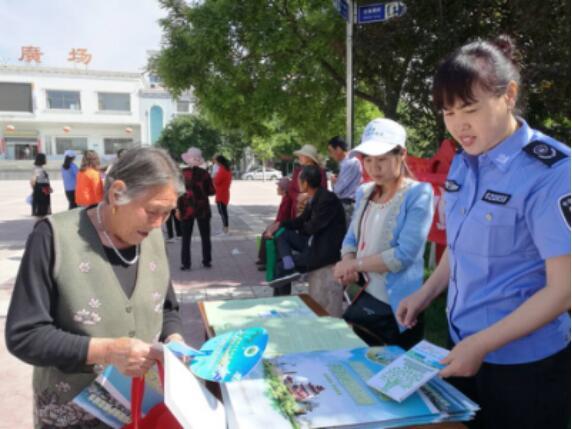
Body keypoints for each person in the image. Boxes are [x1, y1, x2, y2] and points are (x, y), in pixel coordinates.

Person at [396, 36, 570, 429]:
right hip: (465, 351)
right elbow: (462, 246)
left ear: (508, 95)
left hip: (527, 368)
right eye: (448, 111)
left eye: (470, 109)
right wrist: (425, 293)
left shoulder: (552, 173)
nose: (459, 124)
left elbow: (564, 290)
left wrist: (483, 344)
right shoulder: (464, 161)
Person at [6, 147, 186, 428]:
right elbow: (25, 335)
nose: (158, 224)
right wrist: (108, 350)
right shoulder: (53, 237)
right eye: (152, 211)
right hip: (74, 415)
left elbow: (165, 304)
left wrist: (174, 339)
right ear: (116, 194)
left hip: (143, 408)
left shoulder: (153, 237)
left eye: (167, 213)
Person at [333, 118, 434, 349]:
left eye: (382, 159)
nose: (373, 167)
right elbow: (350, 238)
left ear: (402, 155)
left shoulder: (419, 194)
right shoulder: (364, 192)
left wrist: (354, 265)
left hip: (400, 307)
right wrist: (348, 261)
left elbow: (403, 256)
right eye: (367, 159)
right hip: (367, 298)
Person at [267, 164, 346, 296]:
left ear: (305, 182)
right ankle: (289, 264)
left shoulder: (327, 199)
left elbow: (311, 227)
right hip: (311, 243)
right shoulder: (314, 197)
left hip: (323, 251)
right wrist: (280, 224)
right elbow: (300, 221)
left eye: (298, 180)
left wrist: (303, 227)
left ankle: (280, 300)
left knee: (279, 268)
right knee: (283, 233)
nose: (297, 183)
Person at [177, 147, 215, 270]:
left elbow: (177, 192)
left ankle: (186, 264)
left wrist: (177, 209)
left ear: (187, 159)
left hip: (186, 208)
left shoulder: (181, 174)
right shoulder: (204, 173)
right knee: (205, 236)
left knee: (186, 238)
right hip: (202, 208)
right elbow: (211, 191)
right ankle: (206, 261)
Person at [256, 177, 295, 271]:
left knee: (267, 236)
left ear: (283, 189)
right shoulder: (285, 198)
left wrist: (272, 229)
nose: (276, 189)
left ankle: (266, 262)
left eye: (278, 187)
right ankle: (262, 259)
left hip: (284, 226)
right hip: (281, 223)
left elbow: (282, 219)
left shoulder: (287, 200)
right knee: (265, 233)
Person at [327, 136, 362, 226]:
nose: (330, 155)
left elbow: (338, 189)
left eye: (331, 151)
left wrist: (335, 182)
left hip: (348, 205)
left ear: (338, 149)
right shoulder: (348, 162)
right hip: (348, 204)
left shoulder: (349, 163)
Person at [288, 144, 328, 217]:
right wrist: (298, 196)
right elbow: (291, 190)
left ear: (309, 158)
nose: (299, 157)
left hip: (313, 211)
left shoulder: (320, 172)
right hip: (297, 210)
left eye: (302, 155)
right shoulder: (297, 171)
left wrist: (308, 196)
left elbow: (323, 191)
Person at [213, 155, 232, 235]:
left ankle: (225, 230)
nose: (215, 163)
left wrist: (214, 177)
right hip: (223, 193)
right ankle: (224, 229)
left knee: (223, 213)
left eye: (216, 161)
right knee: (223, 212)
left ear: (219, 162)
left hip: (221, 194)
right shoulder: (226, 169)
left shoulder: (222, 170)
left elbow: (216, 181)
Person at [31, 153, 52, 217]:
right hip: (41, 193)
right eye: (45, 158)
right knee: (42, 211)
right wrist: (37, 190)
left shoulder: (40, 168)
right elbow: (33, 181)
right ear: (42, 159)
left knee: (44, 210)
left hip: (43, 191)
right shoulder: (37, 169)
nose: (46, 160)